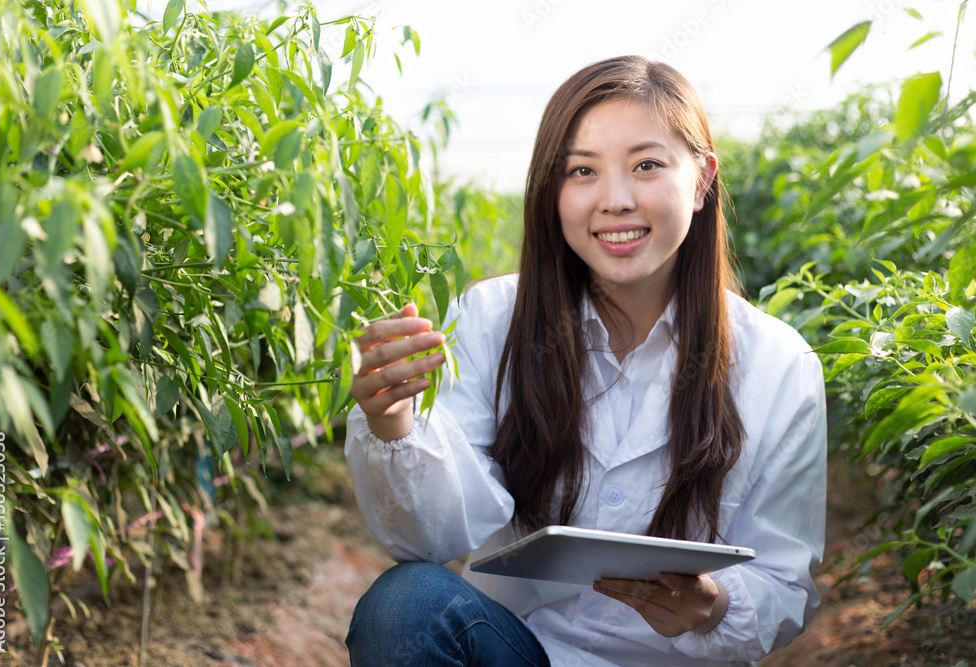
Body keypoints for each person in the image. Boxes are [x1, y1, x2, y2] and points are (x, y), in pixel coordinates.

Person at [343, 55, 827, 666]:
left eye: (647, 165)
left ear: (702, 180)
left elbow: (786, 586)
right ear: (553, 190)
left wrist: (714, 607)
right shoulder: (493, 319)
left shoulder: (780, 366)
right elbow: (431, 541)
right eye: (582, 172)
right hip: (523, 654)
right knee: (405, 603)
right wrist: (395, 425)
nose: (615, 200)